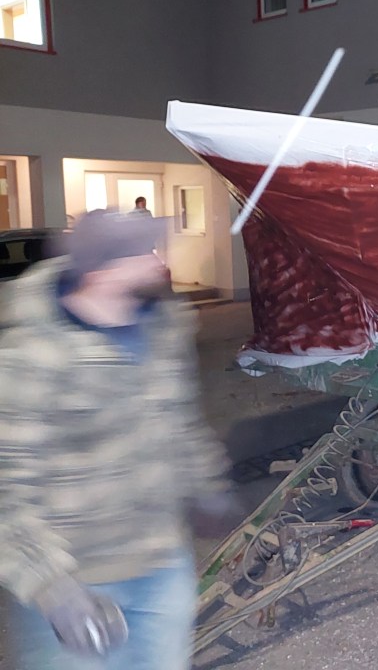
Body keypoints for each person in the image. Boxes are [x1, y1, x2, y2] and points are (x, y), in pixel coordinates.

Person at [0, 209, 237, 669]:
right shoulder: (31, 357)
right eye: (141, 253)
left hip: (161, 563)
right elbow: (8, 488)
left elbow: (181, 421)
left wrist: (209, 487)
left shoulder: (162, 328)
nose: (157, 261)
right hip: (76, 581)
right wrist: (50, 586)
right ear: (101, 272)